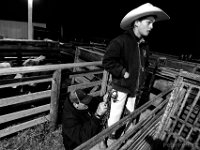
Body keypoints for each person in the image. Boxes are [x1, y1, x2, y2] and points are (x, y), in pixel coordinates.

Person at [102, 3, 170, 141]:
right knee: (114, 115)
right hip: (120, 87)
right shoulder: (120, 41)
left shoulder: (144, 45)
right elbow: (107, 61)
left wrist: (142, 76)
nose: (152, 26)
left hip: (135, 88)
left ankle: (123, 136)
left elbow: (142, 65)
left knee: (130, 114)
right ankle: (107, 140)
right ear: (137, 22)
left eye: (153, 23)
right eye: (149, 22)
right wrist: (122, 72)